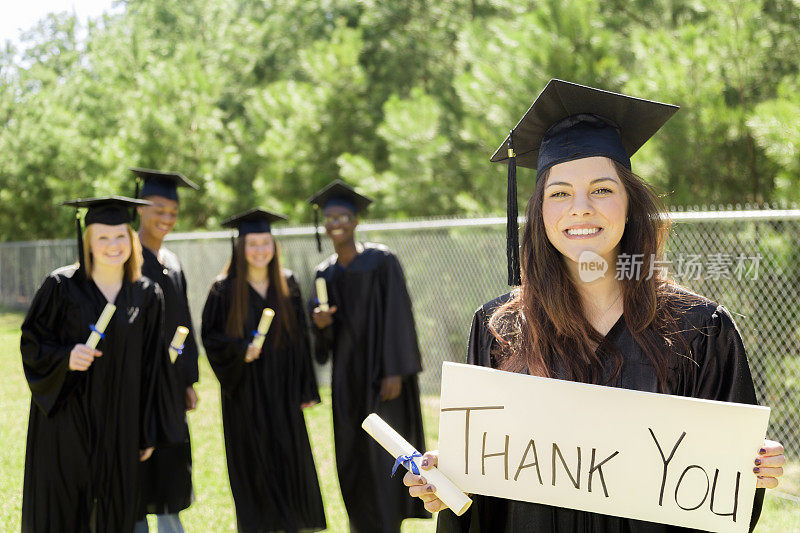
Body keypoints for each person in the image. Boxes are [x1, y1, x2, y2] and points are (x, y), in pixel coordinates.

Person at [404, 79, 786, 532]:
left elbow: (722, 496)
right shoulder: (499, 327)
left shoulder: (698, 329)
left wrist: (755, 468)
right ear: (540, 211)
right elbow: (483, 494)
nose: (580, 208)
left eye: (602, 189)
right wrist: (447, 485)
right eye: (560, 192)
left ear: (630, 203)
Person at [21, 196, 183, 533]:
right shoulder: (61, 287)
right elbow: (33, 343)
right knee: (65, 507)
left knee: (115, 507)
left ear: (131, 239)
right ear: (88, 243)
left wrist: (147, 428)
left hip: (120, 422)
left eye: (120, 236)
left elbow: (154, 367)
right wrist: (65, 357)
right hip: (67, 421)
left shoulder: (145, 294)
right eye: (103, 237)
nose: (113, 245)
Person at [308, 180, 429, 532]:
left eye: (343, 215)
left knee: (384, 456)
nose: (336, 223)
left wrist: (395, 371)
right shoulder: (324, 273)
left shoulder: (382, 262)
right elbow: (323, 348)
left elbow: (399, 316)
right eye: (330, 217)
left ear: (356, 220)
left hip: (382, 378)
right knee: (352, 453)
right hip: (347, 380)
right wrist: (321, 325)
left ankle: (389, 523)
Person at [201, 208, 326, 533]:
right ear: (240, 248)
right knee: (253, 466)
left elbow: (300, 339)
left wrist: (305, 388)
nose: (260, 250)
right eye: (252, 243)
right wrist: (241, 350)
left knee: (290, 461)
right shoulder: (223, 290)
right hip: (245, 394)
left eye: (265, 243)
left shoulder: (287, 283)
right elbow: (211, 340)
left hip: (283, 393)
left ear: (273, 246)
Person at [131, 168, 200, 533]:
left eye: (172, 211)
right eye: (158, 209)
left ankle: (171, 526)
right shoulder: (126, 257)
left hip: (170, 382)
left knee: (171, 461)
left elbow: (184, 322)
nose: (166, 218)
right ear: (140, 208)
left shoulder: (171, 262)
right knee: (140, 461)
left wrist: (188, 379)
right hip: (136, 379)